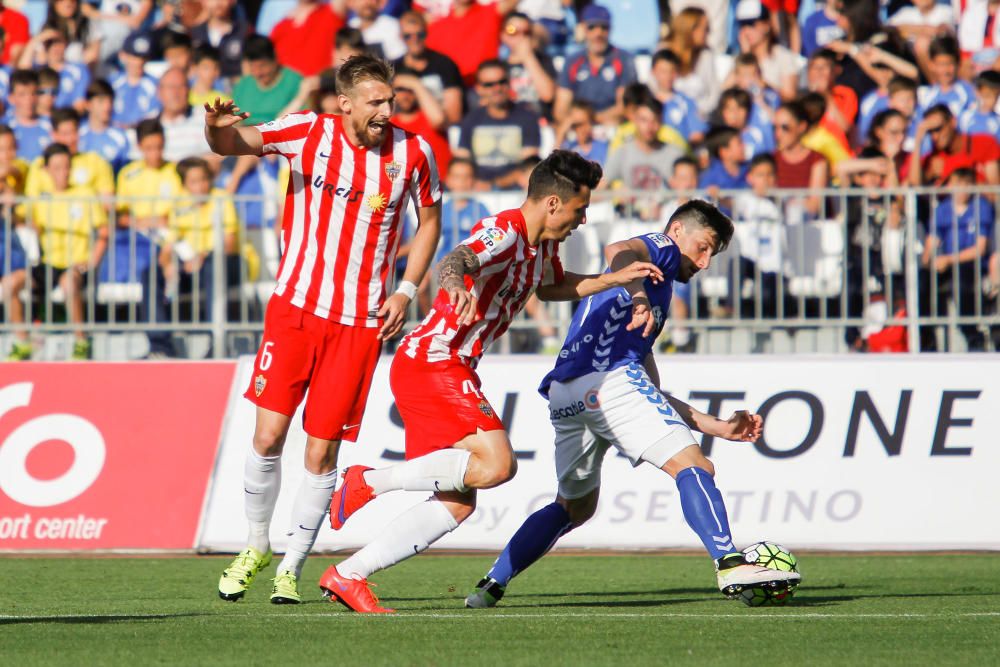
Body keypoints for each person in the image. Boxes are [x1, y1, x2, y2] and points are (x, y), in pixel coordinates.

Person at [318, 150, 664, 613]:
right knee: (499, 465)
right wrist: (455, 282)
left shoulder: (542, 244)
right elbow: (457, 259)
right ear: (554, 204)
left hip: (446, 365)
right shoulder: (505, 231)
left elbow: (551, 288)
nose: (582, 221)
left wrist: (613, 279)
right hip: (435, 361)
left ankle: (348, 574)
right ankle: (368, 480)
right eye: (580, 210)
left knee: (458, 504)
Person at [461, 200, 800, 608]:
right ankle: (730, 562)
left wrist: (717, 427)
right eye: (704, 246)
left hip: (568, 392)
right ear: (677, 230)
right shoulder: (662, 252)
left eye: (714, 254)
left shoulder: (659, 295)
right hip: (608, 382)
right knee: (694, 466)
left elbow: (649, 390)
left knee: (574, 506)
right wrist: (636, 290)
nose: (705, 261)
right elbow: (618, 250)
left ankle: (490, 585)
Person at [207, 54, 442, 605]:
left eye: (391, 100)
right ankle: (255, 544)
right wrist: (214, 127)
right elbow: (228, 145)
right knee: (267, 437)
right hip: (294, 311)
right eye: (376, 102)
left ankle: (291, 564)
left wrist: (406, 290)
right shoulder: (305, 132)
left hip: (358, 324)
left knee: (321, 455)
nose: (387, 110)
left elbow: (429, 220)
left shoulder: (413, 153)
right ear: (345, 103)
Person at [3, 142, 107, 361]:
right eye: (57, 167)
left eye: (67, 166)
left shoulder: (85, 193)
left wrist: (92, 261)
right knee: (10, 283)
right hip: (48, 264)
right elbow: (20, 218)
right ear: (47, 170)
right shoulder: (42, 198)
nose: (63, 172)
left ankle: (80, 341)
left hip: (76, 264)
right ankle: (23, 341)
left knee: (68, 282)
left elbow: (104, 232)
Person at [922, 167, 994, 351]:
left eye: (965, 185)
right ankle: (927, 338)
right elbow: (932, 240)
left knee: (962, 283)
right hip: (946, 263)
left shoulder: (981, 206)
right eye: (956, 184)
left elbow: (979, 249)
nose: (960, 190)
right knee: (923, 282)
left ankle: (972, 337)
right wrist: (928, 261)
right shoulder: (943, 208)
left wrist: (948, 259)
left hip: (970, 264)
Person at [455, 59, 541, 190]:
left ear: (509, 83)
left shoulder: (527, 118)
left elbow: (529, 166)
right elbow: (462, 162)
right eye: (489, 84)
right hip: (475, 191)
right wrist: (476, 184)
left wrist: (494, 185)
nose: (497, 88)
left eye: (502, 82)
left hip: (517, 192)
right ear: (479, 89)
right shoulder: (471, 120)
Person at [554, 4, 636, 124]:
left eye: (604, 27)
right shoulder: (572, 61)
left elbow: (625, 106)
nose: (598, 33)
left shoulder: (624, 59)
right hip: (579, 127)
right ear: (584, 29)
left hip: (613, 127)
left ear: (610, 29)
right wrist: (576, 122)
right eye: (592, 27)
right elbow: (560, 109)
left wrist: (593, 120)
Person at [392, 10, 462, 125]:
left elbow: (454, 117)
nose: (414, 40)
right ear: (400, 37)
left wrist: (415, 85)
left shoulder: (445, 64)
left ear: (426, 33)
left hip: (438, 131)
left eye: (420, 35)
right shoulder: (393, 68)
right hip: (405, 131)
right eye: (407, 36)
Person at [231, 35, 306, 126]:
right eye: (252, 67)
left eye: (262, 66)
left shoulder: (295, 82)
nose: (258, 73)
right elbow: (235, 122)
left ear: (275, 60)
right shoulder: (243, 85)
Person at [662, 7, 720, 118]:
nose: (708, 32)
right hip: (670, 116)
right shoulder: (664, 52)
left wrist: (696, 113)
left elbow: (714, 94)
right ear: (690, 29)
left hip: (700, 117)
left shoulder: (706, 55)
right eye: (705, 29)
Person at [648, 49, 707, 145]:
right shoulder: (646, 101)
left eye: (672, 71)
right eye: (663, 71)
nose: (668, 76)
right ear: (653, 72)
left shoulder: (686, 102)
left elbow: (697, 134)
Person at [109, 31, 160, 127]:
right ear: (122, 56)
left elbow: (153, 115)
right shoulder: (111, 83)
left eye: (143, 57)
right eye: (134, 57)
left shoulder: (155, 85)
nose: (139, 62)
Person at [79, 79, 132, 172]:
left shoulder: (120, 137)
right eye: (101, 101)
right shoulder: (78, 134)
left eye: (110, 102)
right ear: (88, 104)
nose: (107, 107)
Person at [5, 69, 52, 161]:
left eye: (33, 94)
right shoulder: (4, 126)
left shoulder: (51, 125)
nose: (29, 100)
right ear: (11, 98)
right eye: (22, 94)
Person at [555, 100, 609, 166]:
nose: (580, 129)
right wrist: (562, 132)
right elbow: (552, 164)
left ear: (591, 122)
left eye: (583, 123)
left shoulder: (603, 146)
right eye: (576, 125)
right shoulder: (569, 148)